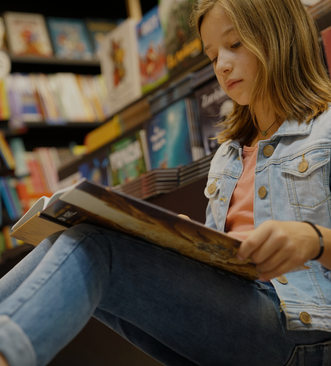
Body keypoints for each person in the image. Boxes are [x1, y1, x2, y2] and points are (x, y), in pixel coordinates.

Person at [1, 0, 331, 365]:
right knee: (73, 235)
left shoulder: (326, 130)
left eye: (235, 44)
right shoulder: (228, 154)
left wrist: (313, 240)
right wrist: (188, 246)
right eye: (211, 55)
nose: (221, 65)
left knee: (99, 246)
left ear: (280, 35)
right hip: (240, 313)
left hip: (305, 328)